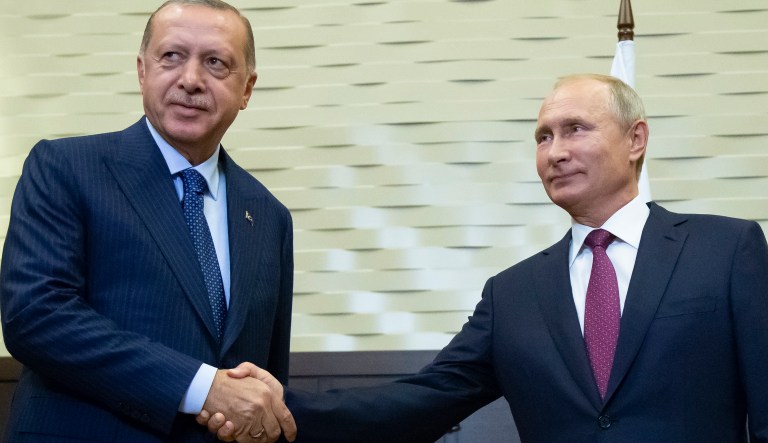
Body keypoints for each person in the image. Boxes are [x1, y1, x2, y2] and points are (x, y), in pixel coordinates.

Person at [210, 73, 768, 442]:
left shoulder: (727, 250)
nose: (556, 152)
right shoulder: (514, 294)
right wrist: (284, 408)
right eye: (543, 137)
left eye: (575, 129)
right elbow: (422, 402)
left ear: (636, 139)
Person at [0, 1, 296, 442]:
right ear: (142, 71)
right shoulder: (65, 167)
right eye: (171, 56)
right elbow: (36, 316)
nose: (191, 79)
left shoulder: (270, 216)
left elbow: (264, 381)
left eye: (215, 62)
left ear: (247, 89)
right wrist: (201, 387)